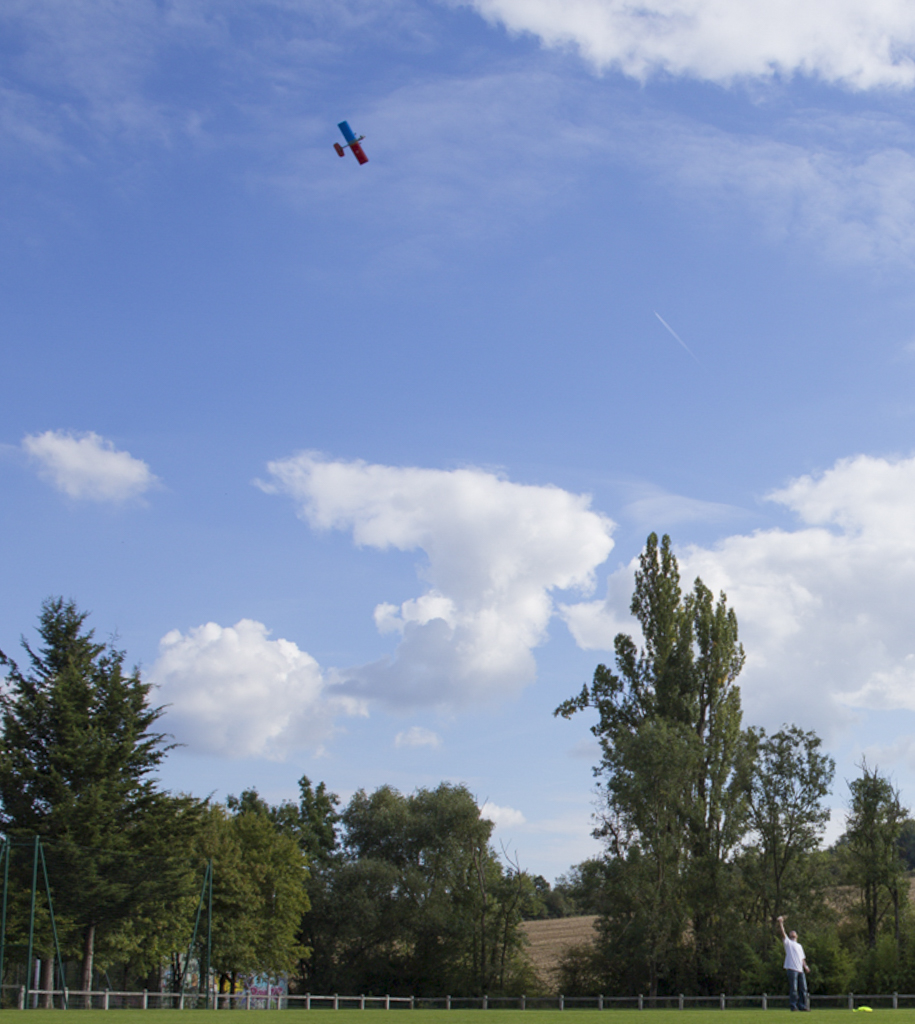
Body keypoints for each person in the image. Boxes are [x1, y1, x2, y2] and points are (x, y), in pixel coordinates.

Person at [777, 915, 810, 1011]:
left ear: (797, 936)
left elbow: (802, 958)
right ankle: (793, 1006)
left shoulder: (799, 946)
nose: (793, 933)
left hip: (800, 970)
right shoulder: (788, 943)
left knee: (803, 989)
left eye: (794, 933)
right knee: (794, 989)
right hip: (792, 969)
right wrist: (781, 923)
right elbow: (783, 933)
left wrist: (806, 966)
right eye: (791, 933)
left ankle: (802, 1006)